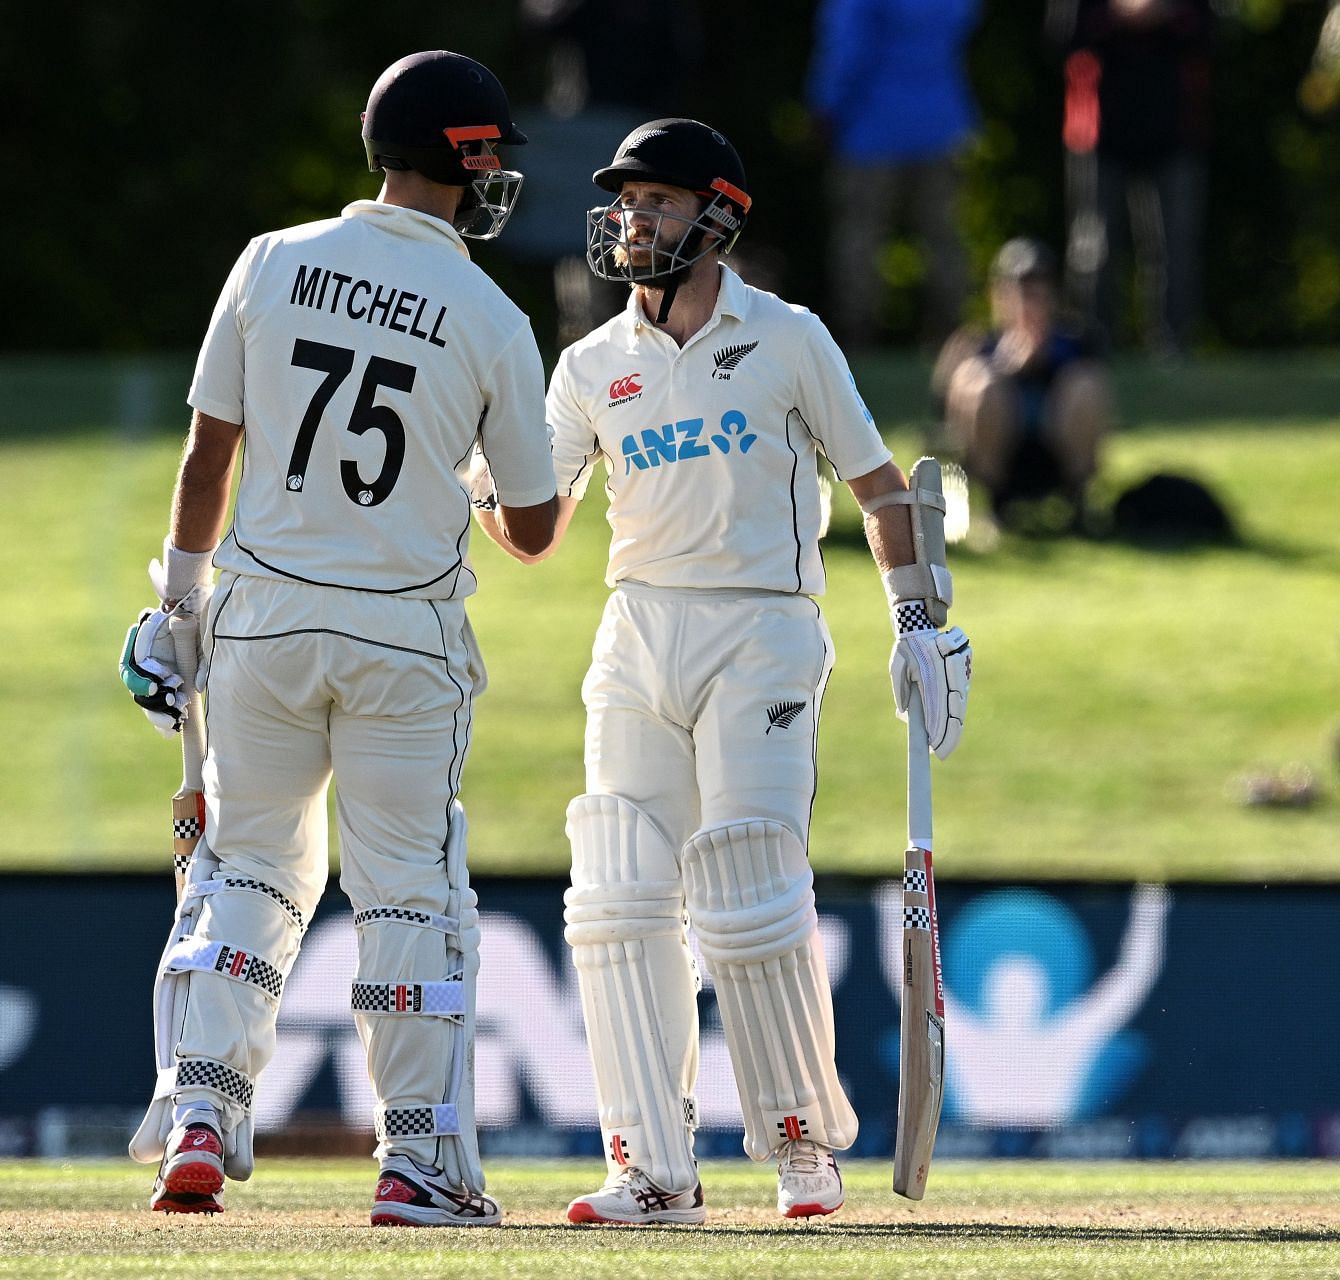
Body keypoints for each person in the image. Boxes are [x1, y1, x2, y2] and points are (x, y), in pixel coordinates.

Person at [480, 119, 972, 1223]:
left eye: (656, 201)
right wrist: (471, 472)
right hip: (637, 631)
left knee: (749, 881)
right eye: (625, 202)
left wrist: (916, 624)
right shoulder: (590, 363)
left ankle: (800, 1140)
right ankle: (652, 1164)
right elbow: (536, 527)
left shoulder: (790, 337)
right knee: (615, 893)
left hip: (764, 630)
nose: (631, 220)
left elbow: (881, 488)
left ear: (719, 217)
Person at [117, 50, 559, 1224]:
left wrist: (177, 606)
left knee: (248, 869)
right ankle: (416, 1159)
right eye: (492, 155)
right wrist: (459, 469)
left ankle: (201, 1111)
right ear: (464, 159)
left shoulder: (271, 260)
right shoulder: (491, 314)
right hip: (403, 638)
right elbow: (535, 528)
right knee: (409, 891)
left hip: (260, 620)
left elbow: (210, 451)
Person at [804, 0, 980, 348]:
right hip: (940, 123)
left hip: (869, 129)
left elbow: (847, 49)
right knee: (943, 236)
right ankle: (952, 336)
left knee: (861, 234)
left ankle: (857, 338)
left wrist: (826, 106)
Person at [1057, 0, 1215, 355]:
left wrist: (1165, 14)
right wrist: (1117, 15)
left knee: (1175, 247)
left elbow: (1208, 32)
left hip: (1174, 132)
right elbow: (1064, 36)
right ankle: (1091, 349)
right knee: (1092, 247)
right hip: (1098, 135)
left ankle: (1172, 348)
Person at [933, 238, 1112, 528]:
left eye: (1037, 292)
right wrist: (1004, 368)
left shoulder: (1076, 344)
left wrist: (1046, 365)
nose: (1028, 302)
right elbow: (942, 406)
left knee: (1086, 382)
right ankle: (993, 507)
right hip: (1000, 458)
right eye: (1018, 291)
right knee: (980, 381)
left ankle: (1079, 505)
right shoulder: (977, 344)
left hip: (1055, 453)